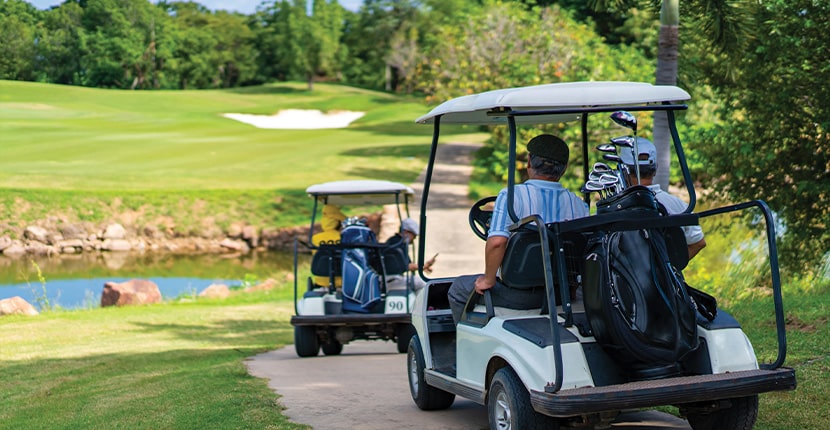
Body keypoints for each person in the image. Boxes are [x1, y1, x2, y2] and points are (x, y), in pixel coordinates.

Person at [447, 134, 589, 324]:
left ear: (529, 162)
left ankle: (464, 347)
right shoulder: (579, 205)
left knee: (458, 288)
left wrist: (488, 279)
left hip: (518, 295)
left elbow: (497, 242)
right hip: (561, 294)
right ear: (564, 169)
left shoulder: (512, 197)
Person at [621, 137, 707, 260]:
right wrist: (669, 270)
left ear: (624, 172)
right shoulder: (679, 205)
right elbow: (698, 243)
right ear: (655, 168)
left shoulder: (614, 207)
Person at [384, 218, 434, 291]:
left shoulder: (399, 243)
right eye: (413, 236)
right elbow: (408, 266)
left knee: (418, 282)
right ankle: (418, 303)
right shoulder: (396, 244)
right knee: (422, 284)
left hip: (394, 278)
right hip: (390, 279)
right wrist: (424, 266)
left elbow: (409, 264)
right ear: (406, 232)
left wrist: (424, 267)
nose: (414, 239)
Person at [310, 204, 346, 287]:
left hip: (321, 281)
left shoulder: (315, 238)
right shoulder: (345, 237)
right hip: (344, 281)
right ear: (339, 224)